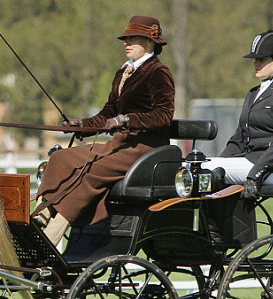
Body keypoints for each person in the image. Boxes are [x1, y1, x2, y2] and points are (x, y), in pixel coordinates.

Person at [34, 15, 175, 244]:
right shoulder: (124, 72)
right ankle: (41, 216)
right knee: (60, 158)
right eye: (125, 38)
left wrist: (126, 120)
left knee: (90, 170)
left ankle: (52, 235)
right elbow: (107, 114)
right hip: (119, 145)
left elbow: (163, 115)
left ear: (149, 42)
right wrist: (81, 125)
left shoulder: (159, 72)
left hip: (144, 149)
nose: (126, 42)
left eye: (132, 38)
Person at [204, 30, 273, 199]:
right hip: (249, 161)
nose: (256, 64)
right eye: (255, 60)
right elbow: (239, 138)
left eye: (262, 59)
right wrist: (221, 162)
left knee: (205, 170)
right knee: (200, 166)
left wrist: (255, 173)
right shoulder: (252, 94)